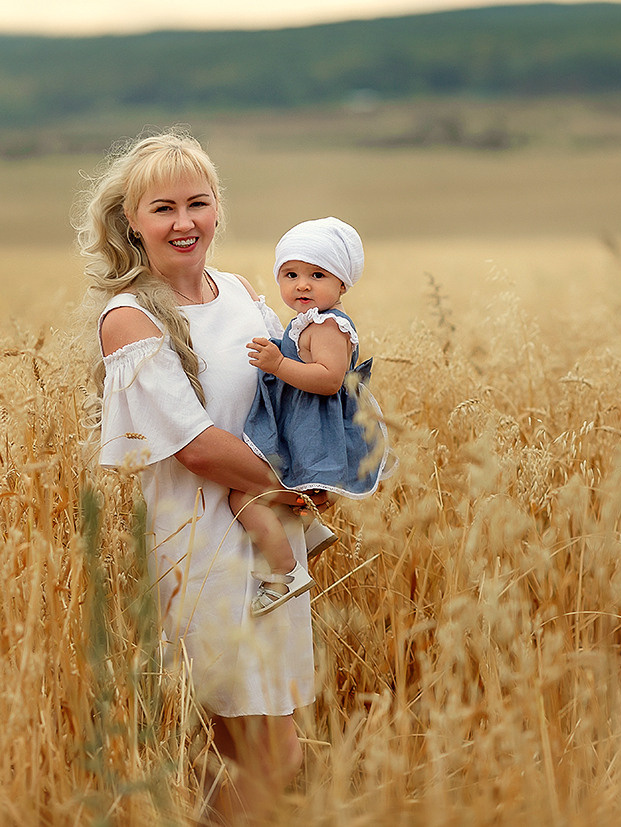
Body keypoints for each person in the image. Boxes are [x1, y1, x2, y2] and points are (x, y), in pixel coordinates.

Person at [77, 128, 318, 823]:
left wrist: (324, 459)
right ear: (132, 221)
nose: (184, 223)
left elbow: (287, 398)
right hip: (200, 549)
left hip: (270, 536)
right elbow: (198, 447)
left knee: (274, 748)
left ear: (217, 209)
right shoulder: (130, 317)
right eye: (163, 209)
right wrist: (290, 479)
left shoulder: (242, 292)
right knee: (246, 747)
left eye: (198, 203)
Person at [229, 217, 390, 618]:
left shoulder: (330, 325)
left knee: (242, 495)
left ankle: (284, 573)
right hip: (301, 425)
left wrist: (278, 363)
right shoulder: (308, 320)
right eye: (291, 273)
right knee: (274, 487)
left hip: (314, 430)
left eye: (317, 274)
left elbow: (330, 379)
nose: (302, 284)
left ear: (342, 285)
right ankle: (310, 531)